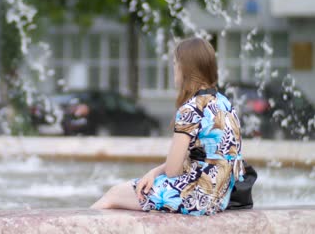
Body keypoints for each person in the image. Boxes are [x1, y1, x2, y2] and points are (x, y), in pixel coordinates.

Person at [90, 37, 245, 216]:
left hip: (195, 197)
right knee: (125, 192)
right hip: (220, 197)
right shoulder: (224, 103)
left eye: (175, 63)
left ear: (185, 68)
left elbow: (172, 170)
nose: (174, 69)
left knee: (114, 194)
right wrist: (155, 173)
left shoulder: (191, 109)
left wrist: (155, 173)